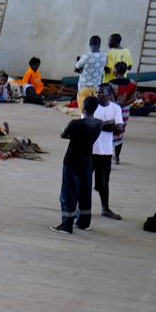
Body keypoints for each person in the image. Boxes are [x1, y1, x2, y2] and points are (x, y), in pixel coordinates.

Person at [52, 95, 101, 234]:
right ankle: (84, 223)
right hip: (87, 162)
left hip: (72, 161)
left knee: (69, 193)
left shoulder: (75, 123)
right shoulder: (99, 124)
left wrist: (72, 136)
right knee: (85, 193)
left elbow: (63, 135)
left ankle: (66, 225)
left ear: (83, 108)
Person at [92, 84, 124, 220]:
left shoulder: (115, 108)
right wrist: (108, 123)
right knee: (83, 180)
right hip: (90, 150)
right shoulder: (92, 105)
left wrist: (98, 124)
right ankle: (80, 208)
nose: (98, 95)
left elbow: (119, 127)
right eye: (97, 92)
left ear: (109, 94)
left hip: (105, 151)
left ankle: (105, 208)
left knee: (104, 182)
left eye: (101, 93)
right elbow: (88, 124)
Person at [107, 61, 137, 163]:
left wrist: (116, 106)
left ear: (115, 70)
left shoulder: (110, 83)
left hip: (112, 110)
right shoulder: (131, 83)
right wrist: (122, 105)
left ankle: (107, 155)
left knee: (109, 133)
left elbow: (110, 100)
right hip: (124, 111)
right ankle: (117, 157)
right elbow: (133, 98)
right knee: (120, 133)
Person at [75, 35, 106, 104]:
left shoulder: (86, 56)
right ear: (99, 45)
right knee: (95, 106)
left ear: (89, 44)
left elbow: (76, 69)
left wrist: (83, 71)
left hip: (84, 86)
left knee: (84, 107)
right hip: (97, 87)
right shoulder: (104, 55)